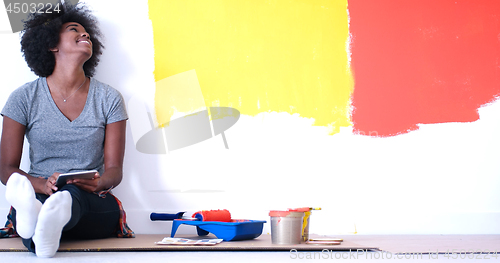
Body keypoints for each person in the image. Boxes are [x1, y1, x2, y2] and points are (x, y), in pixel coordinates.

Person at [0, 2, 133, 258]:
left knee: (71, 197)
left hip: (92, 200)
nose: (85, 35)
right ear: (51, 44)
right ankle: (37, 220)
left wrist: (97, 183)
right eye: (74, 29)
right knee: (36, 204)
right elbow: (6, 170)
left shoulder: (109, 98)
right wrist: (40, 184)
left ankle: (43, 218)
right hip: (40, 190)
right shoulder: (23, 98)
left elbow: (115, 170)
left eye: (87, 32)